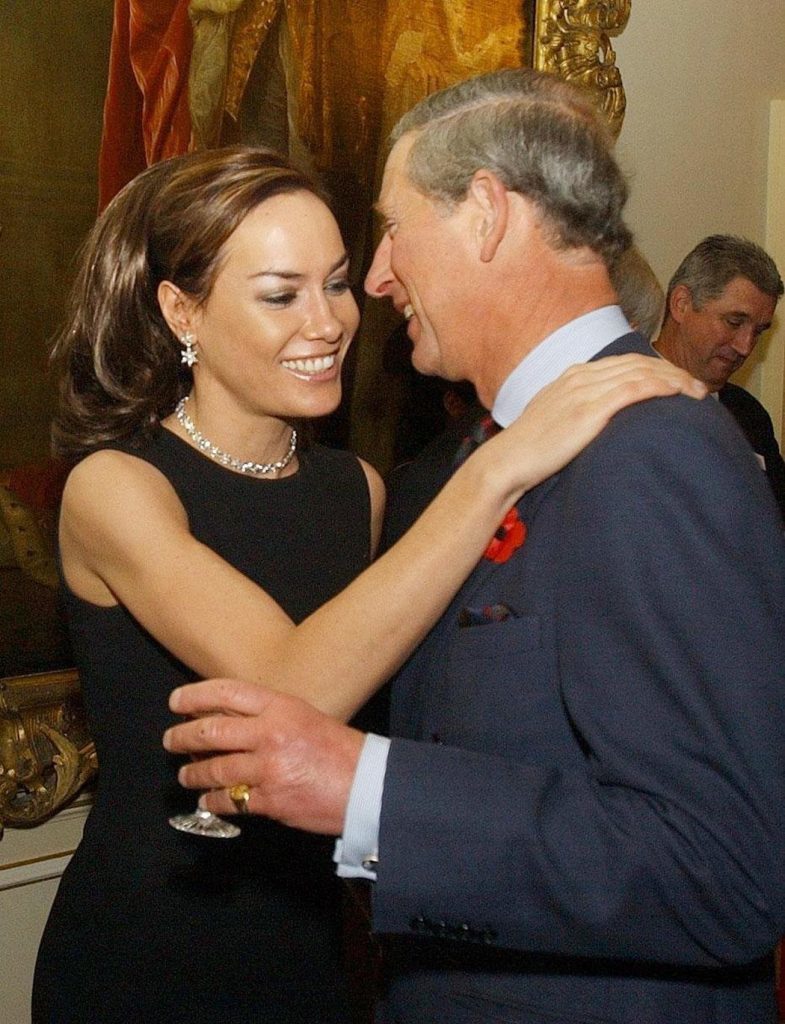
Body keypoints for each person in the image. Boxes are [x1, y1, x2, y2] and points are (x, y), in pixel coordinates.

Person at [165, 70, 785, 1024]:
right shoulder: (481, 455)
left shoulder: (653, 450)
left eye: (392, 230)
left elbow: (725, 872)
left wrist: (363, 788)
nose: (374, 280)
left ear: (486, 215)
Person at [31, 146, 694, 1024]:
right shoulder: (118, 487)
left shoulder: (358, 492)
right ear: (181, 310)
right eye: (280, 294)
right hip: (149, 950)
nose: (328, 321)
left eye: (337, 284)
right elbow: (289, 687)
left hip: (311, 950)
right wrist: (498, 469)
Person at [654, 234, 785, 522]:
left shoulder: (748, 414)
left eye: (759, 331)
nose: (745, 346)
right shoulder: (622, 399)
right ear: (681, 304)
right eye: (734, 322)